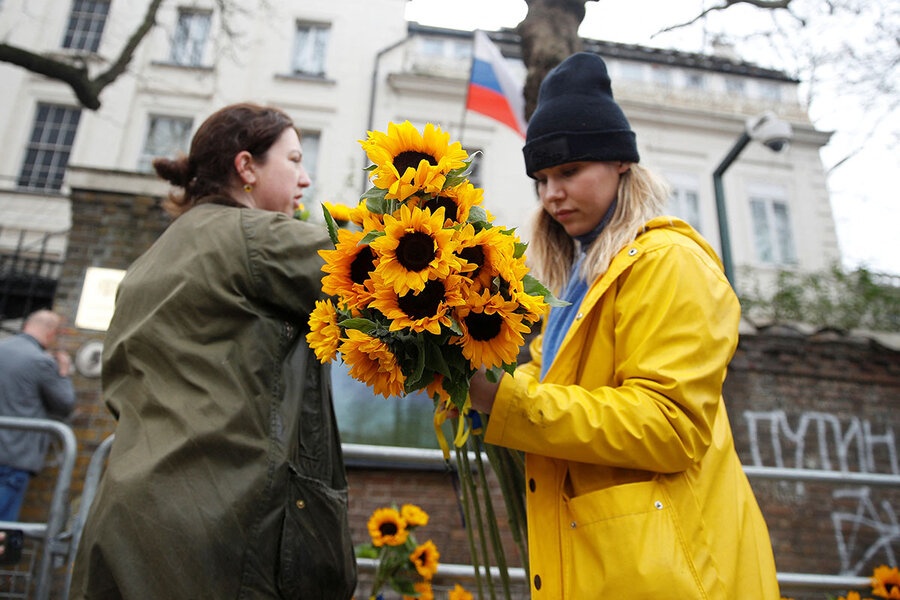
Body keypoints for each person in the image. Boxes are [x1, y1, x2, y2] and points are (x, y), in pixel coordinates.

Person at [468, 53, 781, 599]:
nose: (551, 195)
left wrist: (505, 402)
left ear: (619, 164)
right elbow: (550, 392)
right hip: (613, 567)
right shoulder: (575, 280)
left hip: (676, 576)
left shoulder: (667, 262)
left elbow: (668, 425)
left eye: (568, 171)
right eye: (541, 179)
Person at [69, 103, 357, 599]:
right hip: (215, 527)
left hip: (123, 518)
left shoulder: (150, 260)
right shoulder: (256, 237)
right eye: (293, 160)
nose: (305, 180)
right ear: (246, 167)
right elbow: (385, 276)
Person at [0, 309, 76, 522]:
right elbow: (65, 404)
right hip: (14, 456)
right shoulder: (41, 361)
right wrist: (63, 372)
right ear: (52, 333)